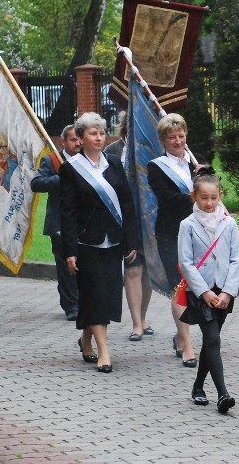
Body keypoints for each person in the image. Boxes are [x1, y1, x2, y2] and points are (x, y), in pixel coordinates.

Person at [60, 113, 139, 373]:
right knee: (94, 294)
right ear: (81, 138)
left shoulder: (114, 164)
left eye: (102, 133)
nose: (98, 137)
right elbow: (68, 212)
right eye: (93, 133)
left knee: (106, 295)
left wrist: (131, 240)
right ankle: (104, 350)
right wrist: (70, 250)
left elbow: (127, 204)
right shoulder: (71, 168)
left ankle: (85, 339)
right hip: (87, 242)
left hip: (114, 241)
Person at [177, 167, 239, 414]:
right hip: (201, 291)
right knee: (213, 338)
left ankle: (198, 387)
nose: (209, 202)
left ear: (220, 195)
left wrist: (228, 291)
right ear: (194, 196)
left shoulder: (229, 223)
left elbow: (236, 258)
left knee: (210, 342)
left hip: (223, 290)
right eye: (204, 197)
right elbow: (186, 262)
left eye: (214, 198)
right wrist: (204, 292)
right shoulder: (188, 224)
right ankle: (223, 394)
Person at [148, 113, 204, 367]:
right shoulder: (156, 166)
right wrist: (195, 196)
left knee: (195, 287)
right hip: (171, 233)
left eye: (181, 136)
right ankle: (188, 345)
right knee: (179, 287)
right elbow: (166, 198)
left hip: (200, 233)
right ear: (163, 140)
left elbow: (215, 195)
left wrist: (206, 178)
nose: (178, 141)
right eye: (172, 137)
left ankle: (180, 336)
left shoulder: (198, 162)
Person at [104, 111, 153, 341]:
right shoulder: (112, 152)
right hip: (125, 218)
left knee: (148, 272)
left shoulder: (152, 150)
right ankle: (135, 323)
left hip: (149, 219)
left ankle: (143, 317)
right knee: (133, 269)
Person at [31, 124, 82, 321]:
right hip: (60, 222)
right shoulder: (52, 160)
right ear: (63, 141)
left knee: (84, 264)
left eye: (79, 139)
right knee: (65, 265)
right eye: (72, 139)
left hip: (83, 221)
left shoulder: (87, 160)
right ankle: (71, 305)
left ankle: (85, 301)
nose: (77, 143)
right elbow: (37, 183)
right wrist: (62, 178)